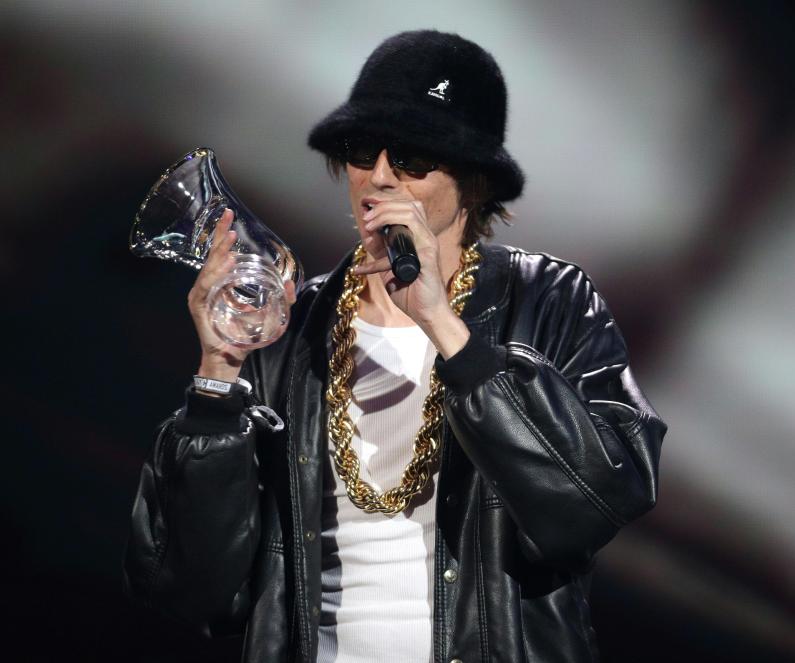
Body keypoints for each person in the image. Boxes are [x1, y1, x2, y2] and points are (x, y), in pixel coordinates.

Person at [124, 30, 667, 663]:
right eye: (362, 151)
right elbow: (193, 590)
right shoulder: (292, 330)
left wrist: (445, 326)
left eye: (411, 157)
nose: (378, 177)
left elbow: (592, 506)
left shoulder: (548, 302)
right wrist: (218, 378)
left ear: (472, 180)